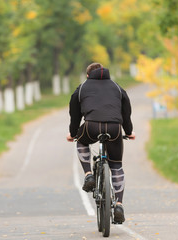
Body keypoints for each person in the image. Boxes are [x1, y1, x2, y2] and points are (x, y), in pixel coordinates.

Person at [66, 63, 135, 224]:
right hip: (114, 127)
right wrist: (129, 131)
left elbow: (74, 113)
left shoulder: (82, 87)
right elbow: (126, 110)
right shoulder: (116, 87)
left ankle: (88, 174)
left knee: (82, 142)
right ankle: (118, 204)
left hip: (91, 126)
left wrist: (73, 132)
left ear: (88, 75)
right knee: (116, 165)